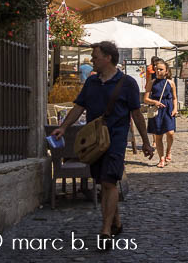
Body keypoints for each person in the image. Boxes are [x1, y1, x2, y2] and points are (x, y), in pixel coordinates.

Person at [50, 41, 154, 249]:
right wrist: (63, 127)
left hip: (115, 139)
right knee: (103, 181)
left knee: (108, 181)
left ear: (108, 58)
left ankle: (105, 231)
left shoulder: (128, 83)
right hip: (94, 141)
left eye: (95, 56)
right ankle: (116, 222)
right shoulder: (91, 83)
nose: (92, 60)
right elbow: (79, 107)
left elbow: (136, 114)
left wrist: (145, 142)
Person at [145, 59, 177, 168]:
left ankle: (168, 150)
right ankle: (161, 158)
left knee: (170, 133)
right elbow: (145, 99)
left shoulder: (170, 83)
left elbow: (174, 98)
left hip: (168, 109)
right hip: (157, 110)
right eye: (157, 69)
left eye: (161, 69)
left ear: (167, 71)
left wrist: (175, 109)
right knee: (158, 136)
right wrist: (154, 102)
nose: (158, 71)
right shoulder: (152, 83)